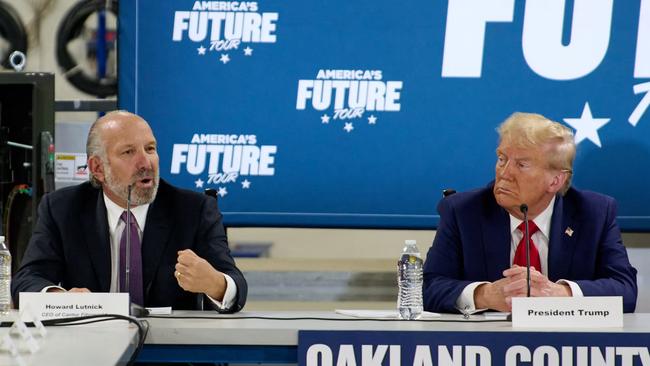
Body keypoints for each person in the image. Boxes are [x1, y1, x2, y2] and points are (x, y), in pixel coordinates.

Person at [11, 111, 247, 312]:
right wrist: (59, 298)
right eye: (128, 152)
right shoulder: (62, 208)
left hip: (170, 350)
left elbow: (237, 286)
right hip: (91, 346)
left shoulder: (193, 210)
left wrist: (215, 284)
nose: (146, 163)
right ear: (97, 168)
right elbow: (26, 280)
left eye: (150, 149)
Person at [423, 112, 637, 313]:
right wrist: (485, 294)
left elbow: (625, 291)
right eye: (501, 159)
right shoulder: (463, 212)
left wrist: (560, 293)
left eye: (521, 164)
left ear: (555, 180)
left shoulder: (594, 213)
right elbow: (427, 288)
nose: (504, 173)